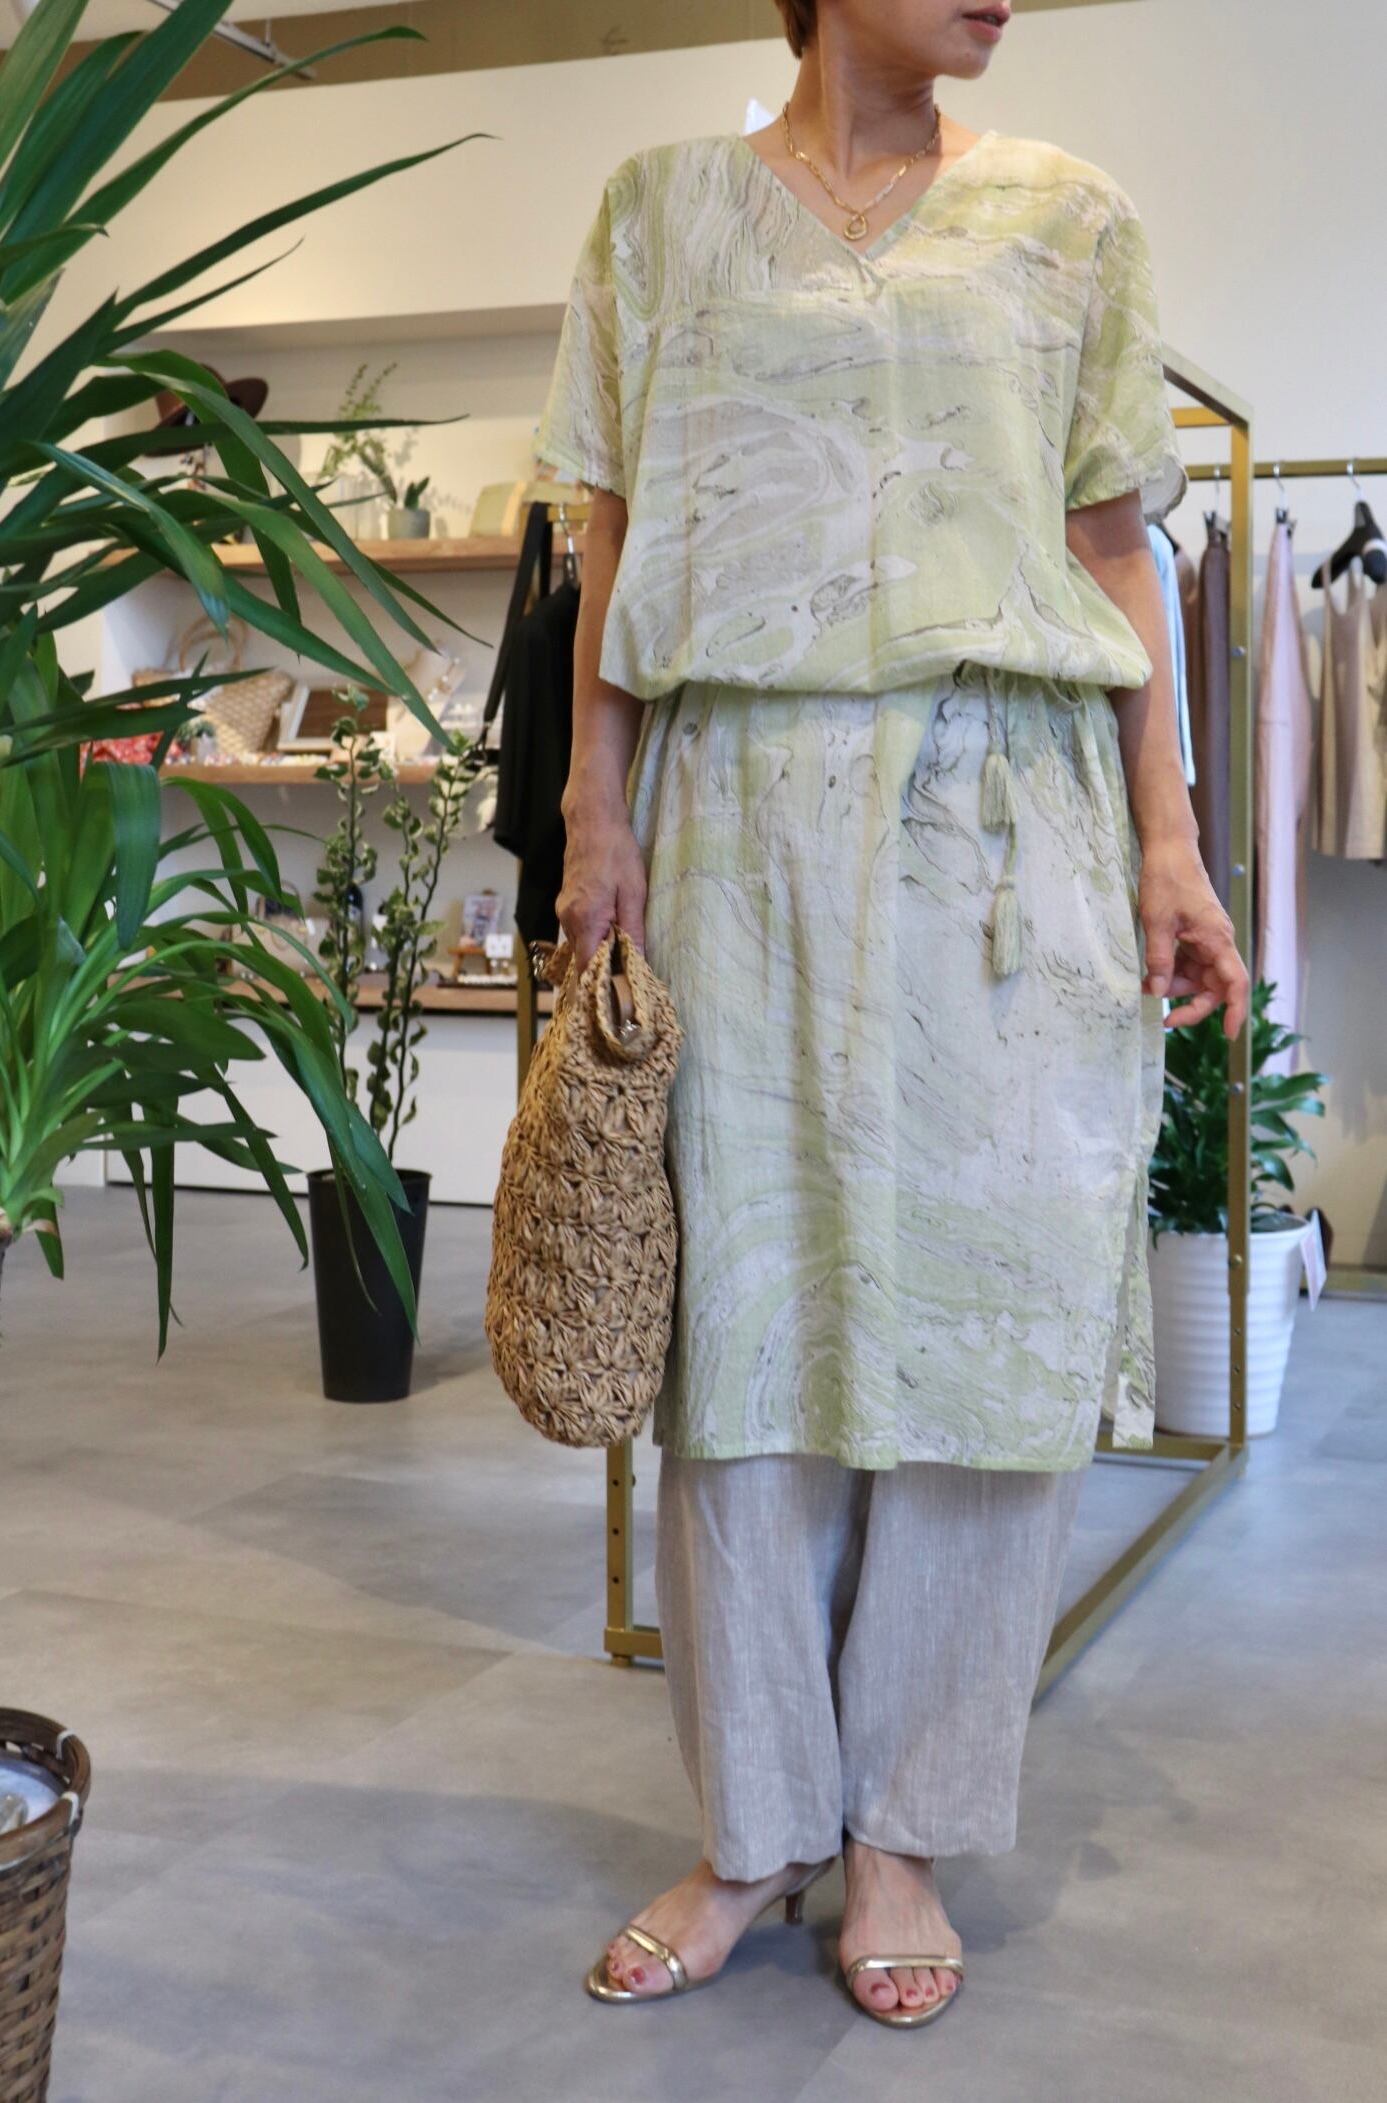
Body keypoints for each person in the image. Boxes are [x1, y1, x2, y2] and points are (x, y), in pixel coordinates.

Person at [533, 0, 1248, 2030]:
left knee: (986, 1314)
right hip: (734, 813)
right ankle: (755, 1821)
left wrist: (1170, 839)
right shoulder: (660, 212)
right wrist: (595, 803)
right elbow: (612, 532)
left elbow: (1112, 548)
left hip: (1008, 808)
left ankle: (905, 1828)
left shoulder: (1066, 217)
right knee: (742, 1326)